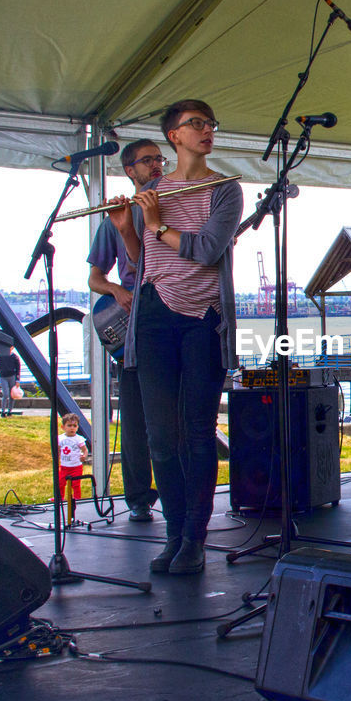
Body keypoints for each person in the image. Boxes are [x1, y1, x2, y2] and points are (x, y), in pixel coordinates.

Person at [109, 99, 243, 575]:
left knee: (197, 433)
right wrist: (130, 232)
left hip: (202, 317)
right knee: (160, 437)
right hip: (152, 315)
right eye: (196, 124)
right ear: (174, 136)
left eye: (210, 123)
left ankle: (195, 538)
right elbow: (144, 260)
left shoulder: (223, 189)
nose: (207, 130)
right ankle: (172, 533)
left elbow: (207, 251)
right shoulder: (153, 189)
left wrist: (156, 223)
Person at [87, 138, 163, 522]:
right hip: (133, 322)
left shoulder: (173, 205)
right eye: (147, 161)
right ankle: (138, 497)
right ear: (129, 170)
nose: (156, 165)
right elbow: (95, 278)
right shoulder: (113, 218)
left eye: (159, 159)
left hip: (168, 312)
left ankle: (173, 492)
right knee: (134, 417)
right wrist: (116, 289)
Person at [57, 412, 88, 502]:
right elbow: (58, 450)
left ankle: (77, 498)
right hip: (64, 466)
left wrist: (84, 456)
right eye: (69, 425)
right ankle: (60, 498)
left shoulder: (79, 439)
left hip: (76, 466)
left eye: (74, 426)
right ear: (63, 427)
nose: (72, 428)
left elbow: (85, 450)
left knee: (75, 484)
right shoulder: (60, 438)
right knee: (60, 483)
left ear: (77, 427)